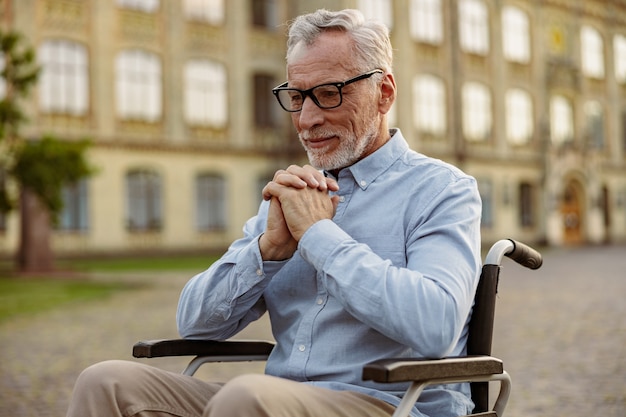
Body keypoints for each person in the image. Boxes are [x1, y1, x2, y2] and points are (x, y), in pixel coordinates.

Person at [66, 8, 482, 417]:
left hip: (392, 403)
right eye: (297, 97)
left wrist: (319, 236)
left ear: (384, 92)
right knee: (105, 382)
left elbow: (435, 326)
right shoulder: (292, 195)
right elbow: (193, 324)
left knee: (247, 397)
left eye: (329, 93)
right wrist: (268, 251)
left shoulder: (441, 190)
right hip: (276, 399)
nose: (307, 119)